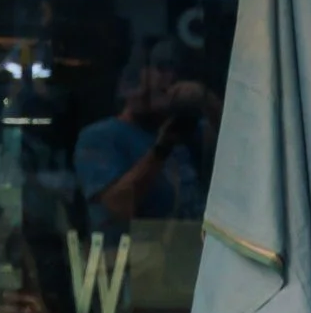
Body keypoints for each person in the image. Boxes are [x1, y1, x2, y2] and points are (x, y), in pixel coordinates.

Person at [74, 48, 216, 239]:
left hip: (189, 252)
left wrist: (206, 100)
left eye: (168, 87)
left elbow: (238, 147)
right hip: (133, 259)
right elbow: (119, 206)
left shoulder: (186, 132)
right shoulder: (100, 137)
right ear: (127, 90)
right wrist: (161, 150)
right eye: (152, 88)